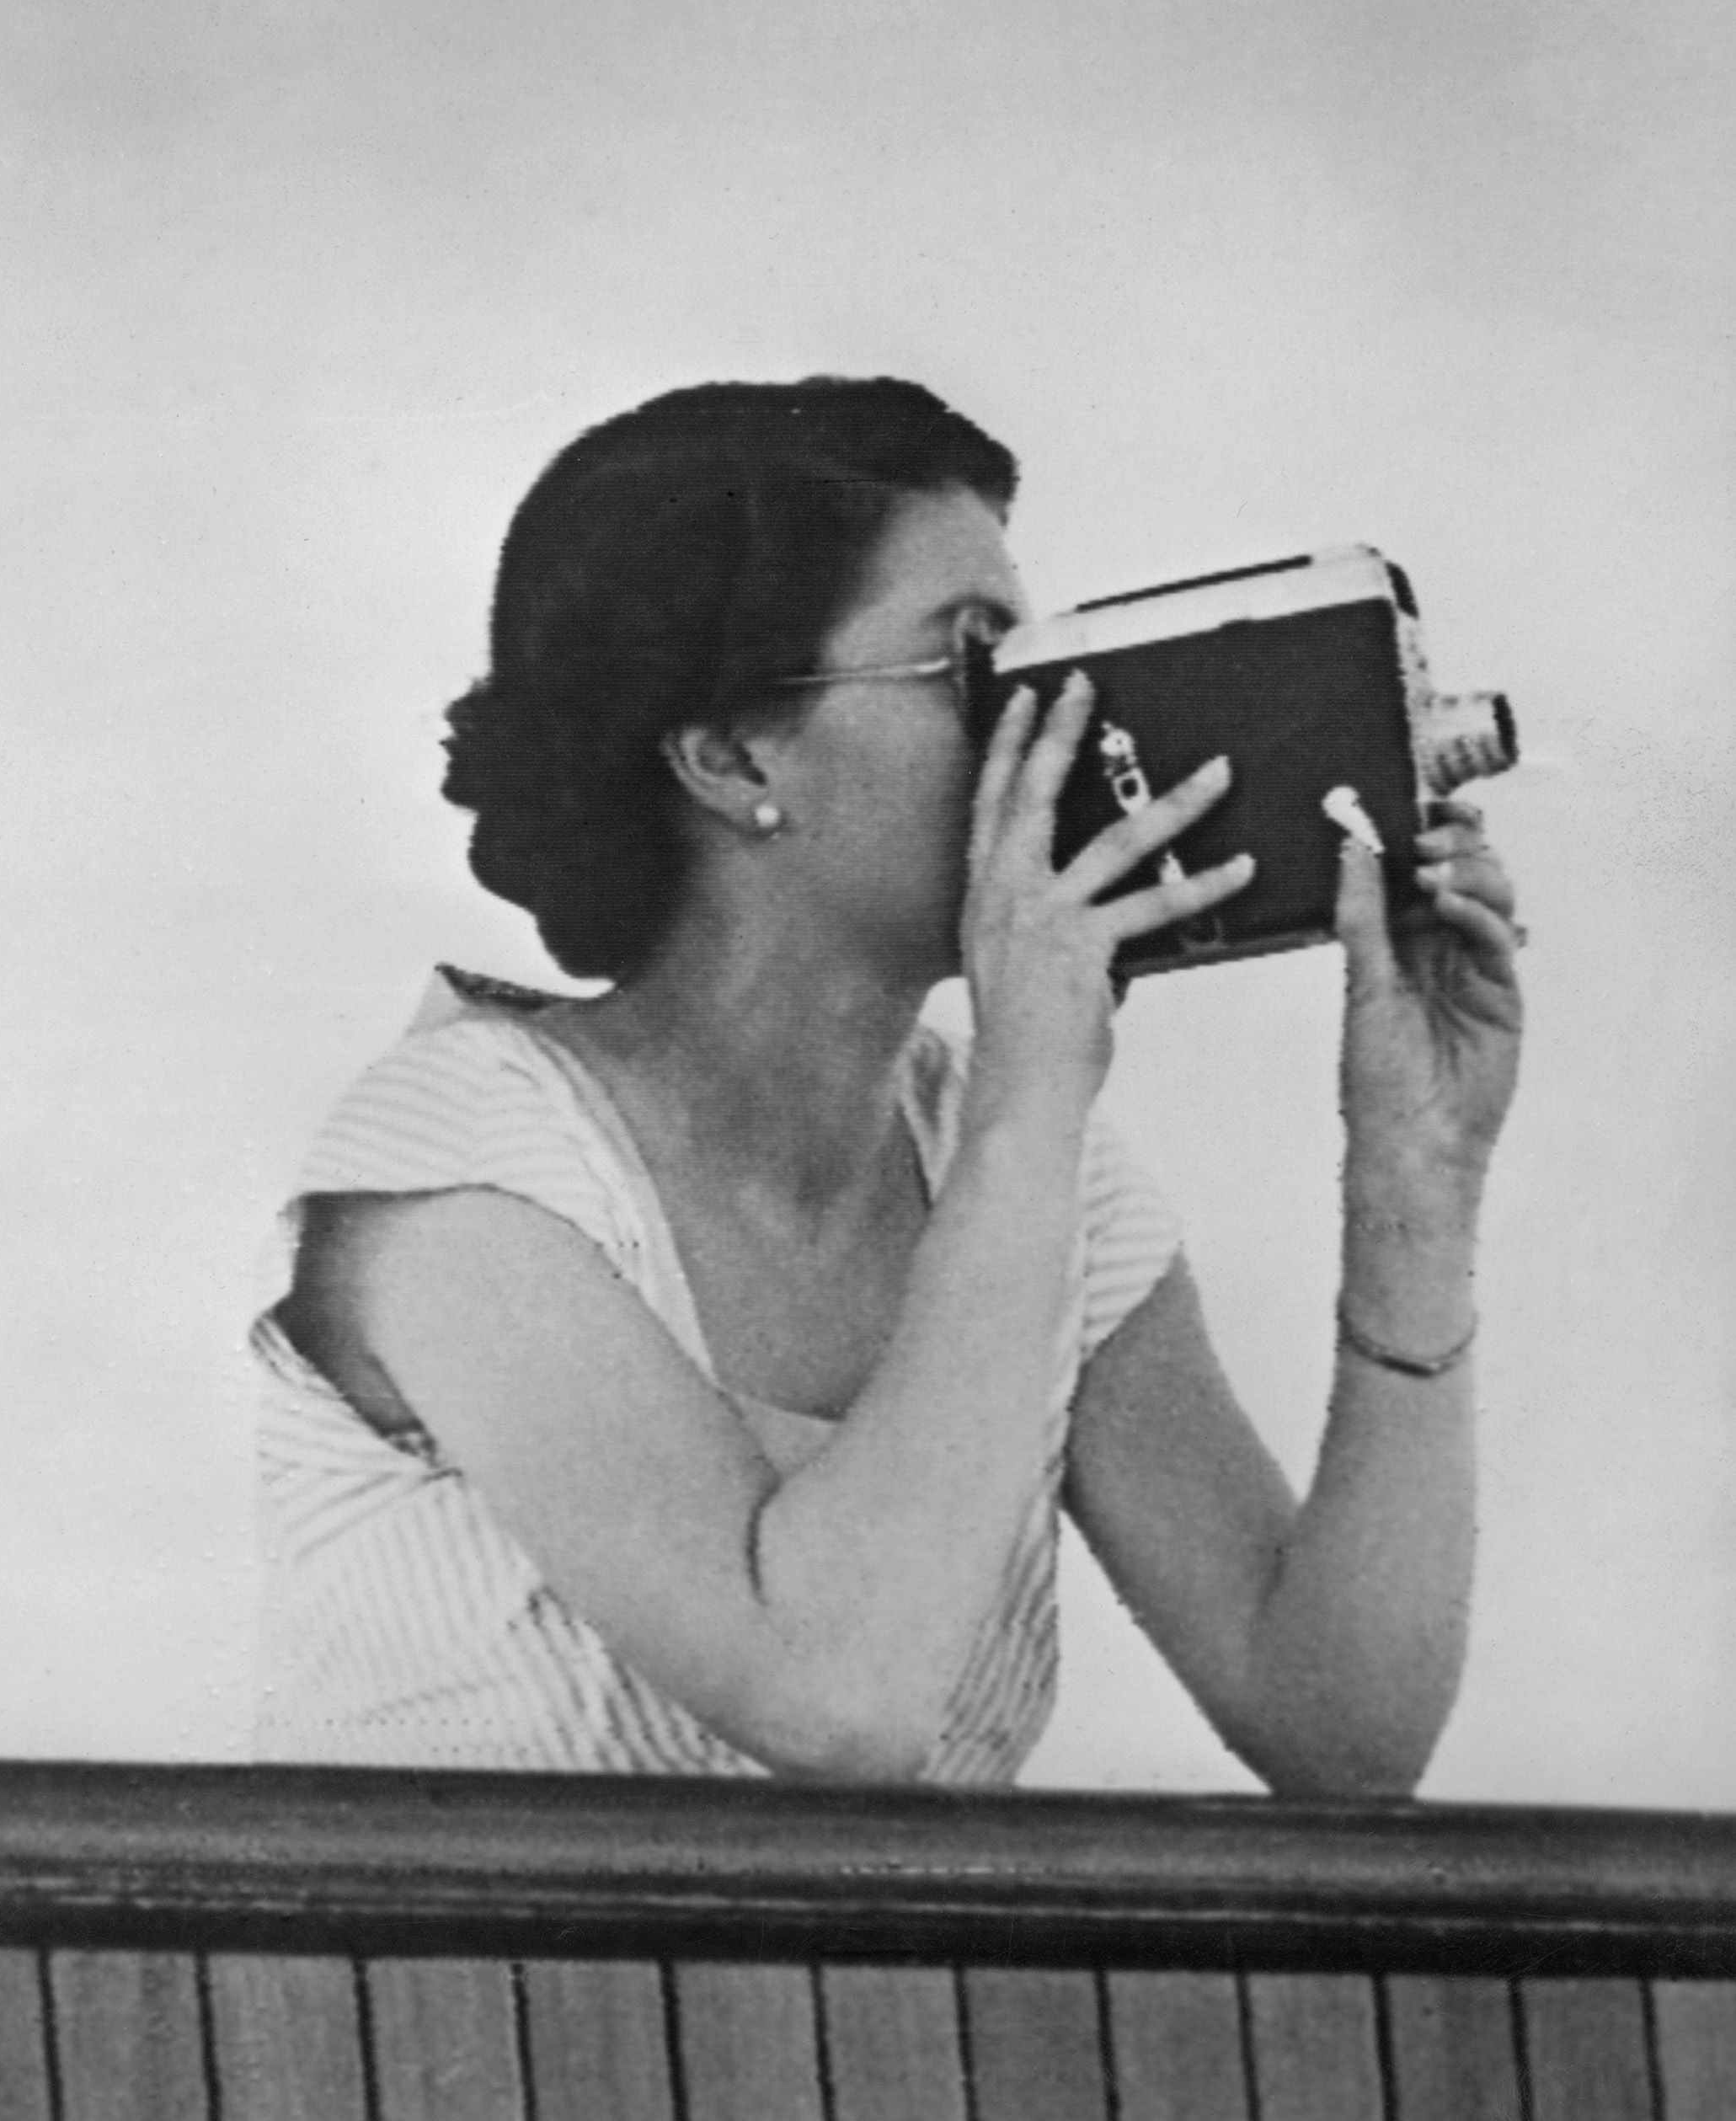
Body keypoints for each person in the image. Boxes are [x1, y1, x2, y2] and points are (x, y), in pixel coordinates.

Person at [251, 380, 1522, 1792]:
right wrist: (1032, 1096)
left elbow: (1340, 1730)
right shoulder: (459, 1162)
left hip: (869, 2013)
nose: (1054, 717)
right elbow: (834, 1702)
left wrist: (1419, 1177)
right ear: (732, 756)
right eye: (972, 666)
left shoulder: (1033, 1168)